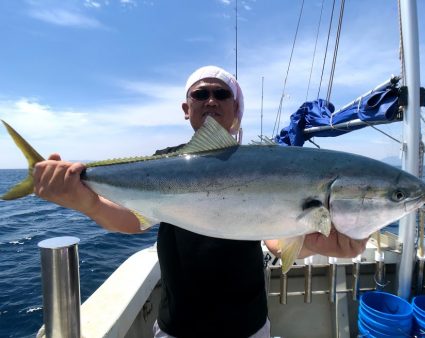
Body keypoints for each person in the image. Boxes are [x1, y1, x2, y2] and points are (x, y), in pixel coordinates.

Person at [33, 65, 368, 338]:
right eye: (200, 94)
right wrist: (83, 200)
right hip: (178, 327)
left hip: (248, 327)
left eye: (221, 94)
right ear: (186, 108)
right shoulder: (164, 164)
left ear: (236, 109)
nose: (211, 100)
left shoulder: (266, 165)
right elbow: (134, 220)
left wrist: (311, 244)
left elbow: (277, 241)